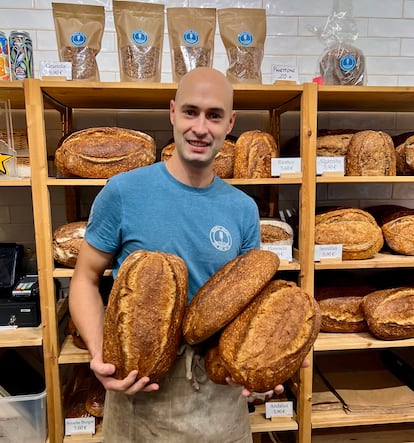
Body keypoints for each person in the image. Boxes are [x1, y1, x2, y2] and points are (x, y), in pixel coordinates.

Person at [69, 67, 304, 442]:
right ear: (173, 112)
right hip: (140, 391)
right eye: (191, 112)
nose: (200, 127)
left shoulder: (242, 209)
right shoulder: (123, 192)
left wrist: (268, 357)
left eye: (213, 116)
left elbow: (245, 306)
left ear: (230, 123)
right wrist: (101, 351)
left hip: (216, 400)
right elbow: (85, 278)